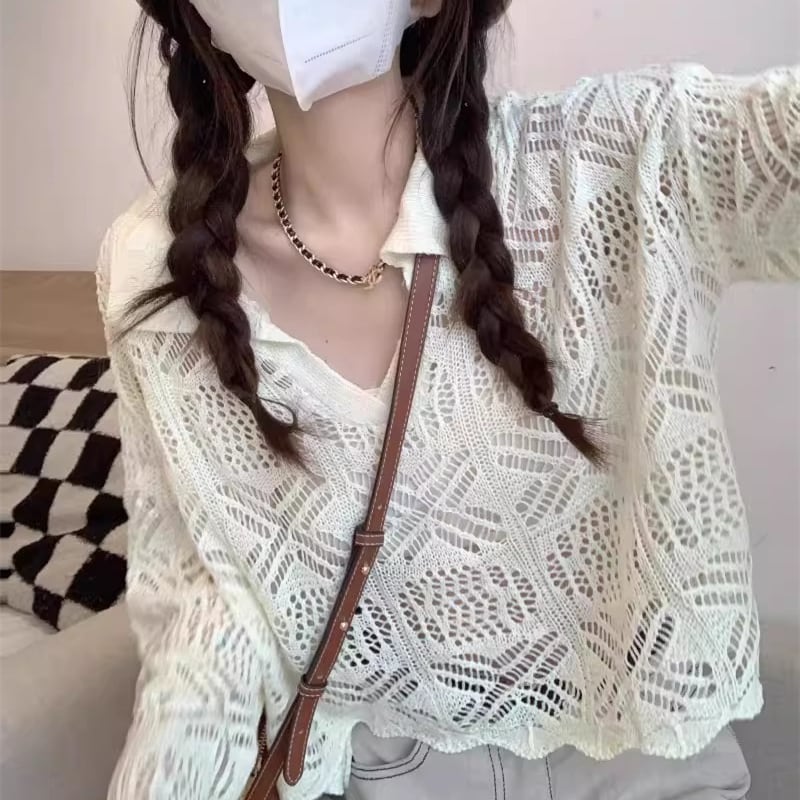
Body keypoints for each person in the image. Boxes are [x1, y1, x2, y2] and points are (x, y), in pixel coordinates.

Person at [97, 1, 799, 798]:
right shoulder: (159, 265)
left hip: (643, 761)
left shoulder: (618, 155)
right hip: (387, 774)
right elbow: (210, 612)